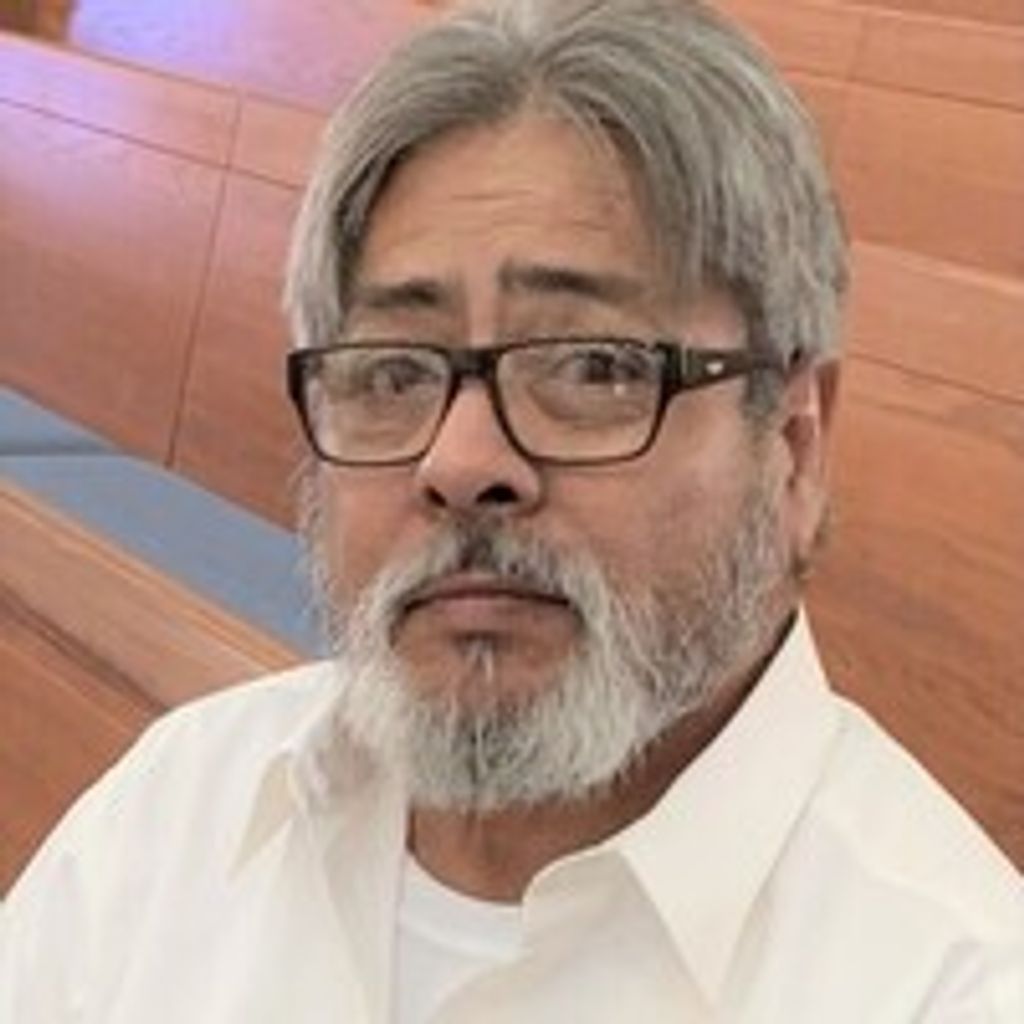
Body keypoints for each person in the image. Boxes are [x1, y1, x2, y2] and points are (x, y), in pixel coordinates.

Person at [3, 0, 1021, 1020]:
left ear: (793, 448)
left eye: (591, 367)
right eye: (394, 372)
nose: (460, 462)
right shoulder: (178, 807)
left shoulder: (951, 986)